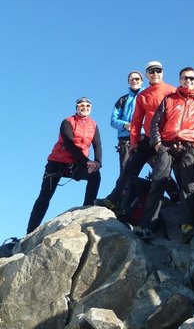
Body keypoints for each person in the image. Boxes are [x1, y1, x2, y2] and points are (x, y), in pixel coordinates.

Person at [140, 67, 194, 242]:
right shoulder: (169, 99)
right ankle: (147, 225)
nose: (188, 81)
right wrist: (157, 143)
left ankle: (187, 225)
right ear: (180, 80)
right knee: (158, 181)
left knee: (188, 186)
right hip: (167, 145)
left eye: (191, 78)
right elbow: (156, 123)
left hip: (190, 146)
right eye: (184, 78)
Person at [94, 61, 176, 214]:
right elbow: (137, 121)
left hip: (167, 139)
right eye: (151, 71)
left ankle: (176, 197)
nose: (155, 74)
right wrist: (134, 143)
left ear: (162, 73)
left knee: (162, 171)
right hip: (148, 138)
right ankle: (114, 200)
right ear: (147, 75)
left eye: (158, 71)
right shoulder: (142, 96)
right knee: (129, 168)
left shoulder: (172, 90)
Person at [27, 97, 102, 233]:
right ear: (76, 108)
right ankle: (30, 231)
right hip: (57, 162)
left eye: (87, 106)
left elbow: (97, 144)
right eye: (81, 105)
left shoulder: (94, 125)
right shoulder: (67, 121)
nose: (84, 108)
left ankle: (87, 209)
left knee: (95, 175)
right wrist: (86, 161)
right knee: (44, 197)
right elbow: (69, 143)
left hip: (76, 163)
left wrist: (97, 162)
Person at [111, 71, 144, 174]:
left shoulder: (147, 96)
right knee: (126, 171)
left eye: (137, 79)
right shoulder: (122, 100)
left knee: (158, 166)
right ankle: (126, 190)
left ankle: (172, 190)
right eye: (131, 79)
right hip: (126, 139)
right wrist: (125, 125)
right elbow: (113, 120)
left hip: (144, 137)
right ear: (128, 82)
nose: (134, 81)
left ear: (142, 81)